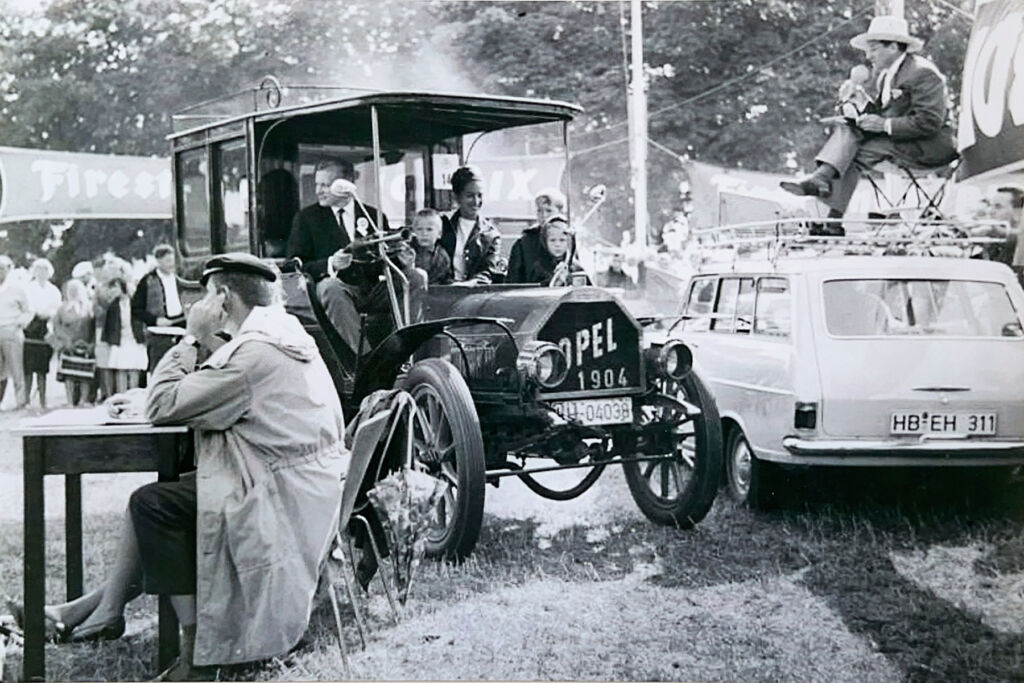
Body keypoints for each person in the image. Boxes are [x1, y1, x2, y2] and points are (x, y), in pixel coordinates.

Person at [17, 254, 348, 681]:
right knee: (165, 501)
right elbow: (210, 388)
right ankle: (96, 611)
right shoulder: (283, 335)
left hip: (277, 500)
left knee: (153, 505)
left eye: (207, 295)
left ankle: (194, 658)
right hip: (301, 488)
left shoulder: (254, 355)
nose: (202, 304)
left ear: (224, 298)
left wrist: (191, 337)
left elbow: (165, 404)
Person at [779, 16, 957, 233]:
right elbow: (883, 113)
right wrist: (859, 101)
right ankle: (824, 194)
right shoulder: (885, 76)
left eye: (873, 49)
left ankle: (828, 211)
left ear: (892, 46)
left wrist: (883, 125)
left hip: (931, 146)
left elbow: (930, 121)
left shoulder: (923, 72)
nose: (867, 55)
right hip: (902, 141)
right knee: (848, 129)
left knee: (855, 153)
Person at [286, 159, 389, 281]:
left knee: (413, 278)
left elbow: (386, 259)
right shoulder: (306, 218)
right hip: (331, 286)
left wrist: (404, 261)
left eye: (325, 185)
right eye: (317, 185)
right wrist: (331, 264)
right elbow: (295, 266)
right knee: (331, 287)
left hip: (370, 289)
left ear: (347, 184)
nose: (317, 191)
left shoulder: (373, 216)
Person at [132, 244, 198, 373]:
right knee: (159, 369)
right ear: (158, 261)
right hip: (158, 333)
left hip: (179, 329)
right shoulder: (147, 281)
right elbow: (136, 309)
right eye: (167, 261)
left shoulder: (178, 280)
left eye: (172, 260)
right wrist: (155, 320)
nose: (171, 264)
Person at [439, 166, 504, 284]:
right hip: (442, 292)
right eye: (469, 196)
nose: (476, 201)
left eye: (480, 195)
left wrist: (469, 284)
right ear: (456, 197)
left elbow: (487, 272)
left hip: (474, 296)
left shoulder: (491, 235)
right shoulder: (441, 225)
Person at [94, 257, 148, 398]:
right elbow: (108, 323)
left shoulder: (135, 302)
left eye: (115, 288)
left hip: (135, 338)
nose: (113, 292)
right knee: (120, 369)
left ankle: (134, 396)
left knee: (134, 368)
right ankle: (122, 396)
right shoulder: (113, 305)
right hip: (121, 339)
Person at [22, 258, 62, 409]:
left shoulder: (53, 290)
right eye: (38, 270)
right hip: (31, 327)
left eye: (44, 270)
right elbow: (27, 307)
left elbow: (57, 308)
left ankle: (43, 400)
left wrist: (48, 315)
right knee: (28, 368)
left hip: (47, 327)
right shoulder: (28, 288)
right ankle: (25, 400)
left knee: (42, 369)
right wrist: (36, 313)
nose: (41, 273)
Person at [50, 278, 95, 406]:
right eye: (71, 290)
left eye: (76, 290)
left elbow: (93, 327)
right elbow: (56, 326)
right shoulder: (62, 308)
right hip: (68, 345)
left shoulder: (89, 307)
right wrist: (66, 340)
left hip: (85, 345)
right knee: (69, 375)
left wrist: (91, 343)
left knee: (85, 374)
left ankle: (83, 399)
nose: (73, 293)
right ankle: (70, 401)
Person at [506, 188, 567, 284]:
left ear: (561, 212)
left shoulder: (570, 238)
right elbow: (513, 280)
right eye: (539, 211)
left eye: (548, 210)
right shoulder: (524, 243)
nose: (543, 215)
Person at [0, 255, 31, 409]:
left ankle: (21, 401)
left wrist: (20, 323)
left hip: (12, 330)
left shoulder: (17, 288)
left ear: (9, 269)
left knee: (16, 368)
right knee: (0, 371)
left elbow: (28, 311)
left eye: (2, 268)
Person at [524, 216, 588, 286]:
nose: (557, 245)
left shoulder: (576, 267)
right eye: (552, 240)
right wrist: (556, 281)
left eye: (562, 240)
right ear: (545, 242)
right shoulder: (538, 268)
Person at [410, 208, 453, 285]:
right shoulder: (409, 252)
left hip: (436, 293)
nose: (424, 234)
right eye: (419, 229)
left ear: (439, 234)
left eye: (429, 229)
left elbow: (446, 279)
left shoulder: (443, 257)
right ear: (414, 232)